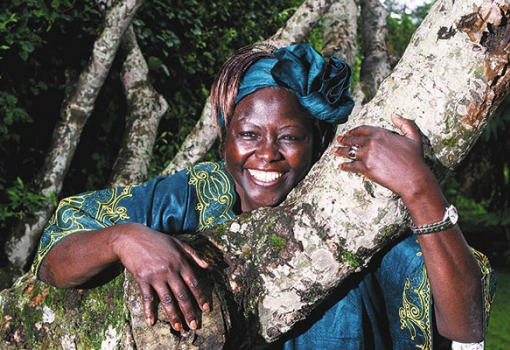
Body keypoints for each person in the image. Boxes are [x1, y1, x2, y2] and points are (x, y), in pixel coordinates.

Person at [31, 43, 495, 349]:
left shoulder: (348, 218)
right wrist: (123, 238)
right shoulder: (195, 193)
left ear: (317, 141)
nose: (267, 155)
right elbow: (54, 263)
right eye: (248, 134)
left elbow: (464, 328)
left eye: (289, 137)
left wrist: (419, 189)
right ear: (225, 137)